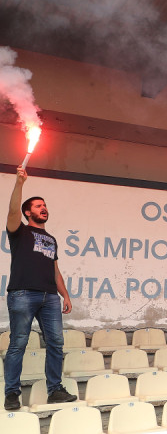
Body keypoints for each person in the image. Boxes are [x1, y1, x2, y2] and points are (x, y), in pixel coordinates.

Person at [5, 166, 77, 411]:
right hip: (23, 294)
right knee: (18, 344)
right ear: (28, 212)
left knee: (56, 343)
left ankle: (55, 390)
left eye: (44, 205)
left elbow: (55, 270)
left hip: (50, 298)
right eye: (37, 206)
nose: (43, 208)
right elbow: (12, 211)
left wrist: (65, 295)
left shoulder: (51, 239)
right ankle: (12, 393)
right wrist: (19, 183)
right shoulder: (19, 231)